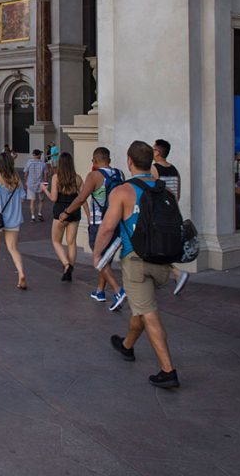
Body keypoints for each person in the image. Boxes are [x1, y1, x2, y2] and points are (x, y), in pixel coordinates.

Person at [93, 140, 180, 390]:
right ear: (149, 162)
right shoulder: (164, 190)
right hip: (163, 259)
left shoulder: (123, 191)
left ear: (129, 161)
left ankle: (168, 370)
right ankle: (127, 345)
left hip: (136, 260)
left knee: (148, 312)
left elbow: (108, 227)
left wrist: (98, 255)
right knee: (140, 307)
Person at [57, 147, 126, 310]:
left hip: (99, 223)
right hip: (115, 221)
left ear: (94, 161)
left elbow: (81, 198)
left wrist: (66, 212)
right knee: (106, 258)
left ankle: (118, 290)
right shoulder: (119, 174)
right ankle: (100, 291)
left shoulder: (94, 176)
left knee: (99, 259)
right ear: (108, 159)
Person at [0, 152, 27, 289]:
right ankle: (21, 273)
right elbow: (23, 198)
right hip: (14, 218)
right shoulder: (17, 179)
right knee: (13, 248)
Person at [152, 139, 189, 295]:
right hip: (172, 214)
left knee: (154, 248)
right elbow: (177, 194)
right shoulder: (174, 169)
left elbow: (152, 191)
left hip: (159, 214)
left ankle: (176, 274)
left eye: (153, 149)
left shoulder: (154, 169)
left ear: (158, 152)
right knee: (159, 248)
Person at [43, 152, 83, 281]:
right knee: (71, 243)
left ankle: (66, 264)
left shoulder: (56, 177)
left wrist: (45, 190)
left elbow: (54, 198)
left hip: (60, 212)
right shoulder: (77, 178)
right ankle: (70, 268)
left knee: (56, 241)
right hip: (75, 212)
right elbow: (82, 198)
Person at [23, 149, 46, 221]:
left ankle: (33, 216)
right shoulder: (43, 164)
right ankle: (39, 214)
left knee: (32, 201)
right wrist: (45, 182)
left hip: (30, 183)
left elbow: (26, 173)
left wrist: (26, 181)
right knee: (41, 200)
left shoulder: (29, 162)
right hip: (40, 183)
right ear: (39, 155)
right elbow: (45, 175)